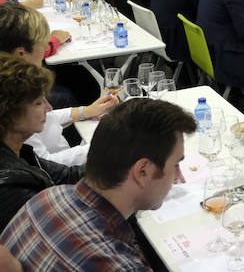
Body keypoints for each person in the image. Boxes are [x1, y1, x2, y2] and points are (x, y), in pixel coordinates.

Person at [1, 98, 197, 271]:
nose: (178, 176)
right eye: (176, 165)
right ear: (142, 171)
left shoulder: (45, 198)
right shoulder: (119, 265)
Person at [0, 3, 117, 166]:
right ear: (21, 53)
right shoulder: (14, 99)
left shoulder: (16, 87)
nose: (45, 50)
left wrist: (85, 111)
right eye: (42, 44)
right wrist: (109, 145)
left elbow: (47, 116)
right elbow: (46, 165)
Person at [0, 54, 83, 230]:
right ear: (10, 114)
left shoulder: (21, 152)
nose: (49, 108)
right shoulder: (13, 188)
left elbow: (66, 175)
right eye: (39, 103)